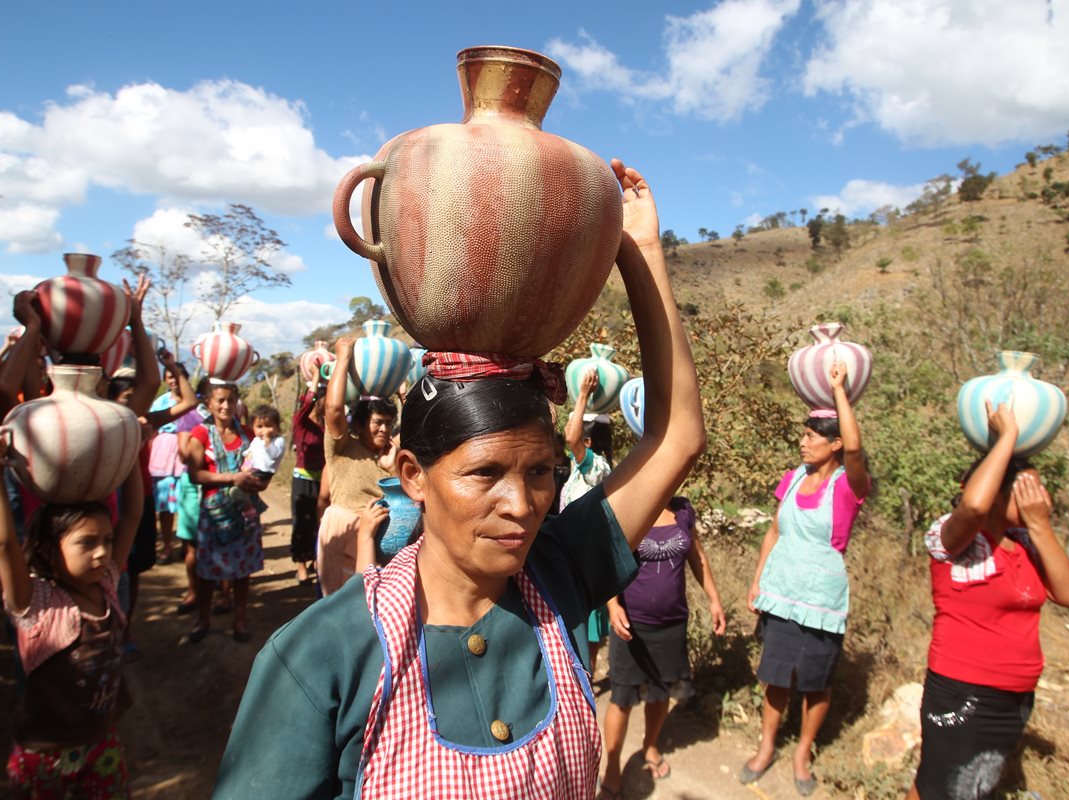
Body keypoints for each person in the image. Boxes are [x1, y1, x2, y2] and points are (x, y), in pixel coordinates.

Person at [213, 159, 705, 799]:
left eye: (540, 472)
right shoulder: (323, 653)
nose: (523, 505)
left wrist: (638, 253)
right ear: (413, 476)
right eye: (485, 473)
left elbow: (676, 438)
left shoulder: (558, 574)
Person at [907, 403, 1069, 800]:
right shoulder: (951, 541)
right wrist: (1006, 438)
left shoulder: (1027, 543)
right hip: (965, 692)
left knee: (962, 787)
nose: (1043, 498)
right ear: (997, 495)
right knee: (943, 788)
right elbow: (973, 508)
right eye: (1029, 489)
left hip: (1015, 696)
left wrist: (1040, 525)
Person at [0, 425, 143, 798]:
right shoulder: (36, 603)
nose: (101, 552)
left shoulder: (107, 585)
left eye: (107, 541)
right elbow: (3, 543)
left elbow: (130, 517)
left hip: (103, 744)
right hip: (43, 757)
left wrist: (131, 453)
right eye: (86, 543)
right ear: (49, 549)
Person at [741, 363, 870, 796]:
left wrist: (839, 392)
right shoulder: (793, 478)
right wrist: (758, 581)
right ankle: (767, 746)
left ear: (834, 443)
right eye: (804, 434)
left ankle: (803, 752)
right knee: (775, 675)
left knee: (816, 682)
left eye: (813, 436)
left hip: (820, 597)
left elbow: (856, 452)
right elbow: (775, 531)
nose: (803, 441)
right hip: (781, 592)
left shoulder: (847, 486)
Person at [600, 496, 726, 797]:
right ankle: (613, 765)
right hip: (632, 625)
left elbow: (698, 557)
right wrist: (613, 605)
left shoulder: (683, 511)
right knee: (623, 696)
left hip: (672, 623)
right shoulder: (631, 508)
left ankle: (650, 746)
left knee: (662, 690)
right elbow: (610, 562)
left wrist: (714, 600)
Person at [183, 381, 265, 643]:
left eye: (230, 400)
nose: (225, 405)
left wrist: (257, 482)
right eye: (219, 400)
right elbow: (195, 474)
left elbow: (260, 469)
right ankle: (203, 619)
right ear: (208, 403)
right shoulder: (201, 433)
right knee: (207, 572)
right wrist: (233, 478)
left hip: (245, 513)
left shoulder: (247, 435)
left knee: (243, 572)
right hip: (215, 514)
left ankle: (239, 620)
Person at [315, 340, 398, 594]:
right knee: (343, 606)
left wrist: (393, 469)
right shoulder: (343, 448)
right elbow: (333, 408)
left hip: (378, 540)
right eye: (377, 422)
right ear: (359, 425)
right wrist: (343, 358)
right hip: (344, 534)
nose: (384, 429)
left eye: (388, 423)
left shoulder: (390, 457)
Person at [563, 369, 616, 675]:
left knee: (587, 632)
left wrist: (582, 394)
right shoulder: (581, 469)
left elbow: (570, 437)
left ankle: (587, 682)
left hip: (585, 562)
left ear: (589, 438)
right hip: (578, 559)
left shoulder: (595, 466)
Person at [147, 359, 197, 563]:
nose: (174, 381)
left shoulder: (196, 401)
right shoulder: (160, 402)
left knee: (187, 503)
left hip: (186, 453)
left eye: (177, 376)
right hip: (163, 457)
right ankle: (167, 546)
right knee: (165, 506)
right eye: (169, 377)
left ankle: (188, 547)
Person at [289, 380, 327, 584]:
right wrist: (314, 379)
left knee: (318, 523)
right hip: (303, 479)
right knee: (301, 523)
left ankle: (315, 558)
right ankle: (300, 566)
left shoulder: (324, 426)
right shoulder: (302, 424)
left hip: (321, 480)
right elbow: (304, 407)